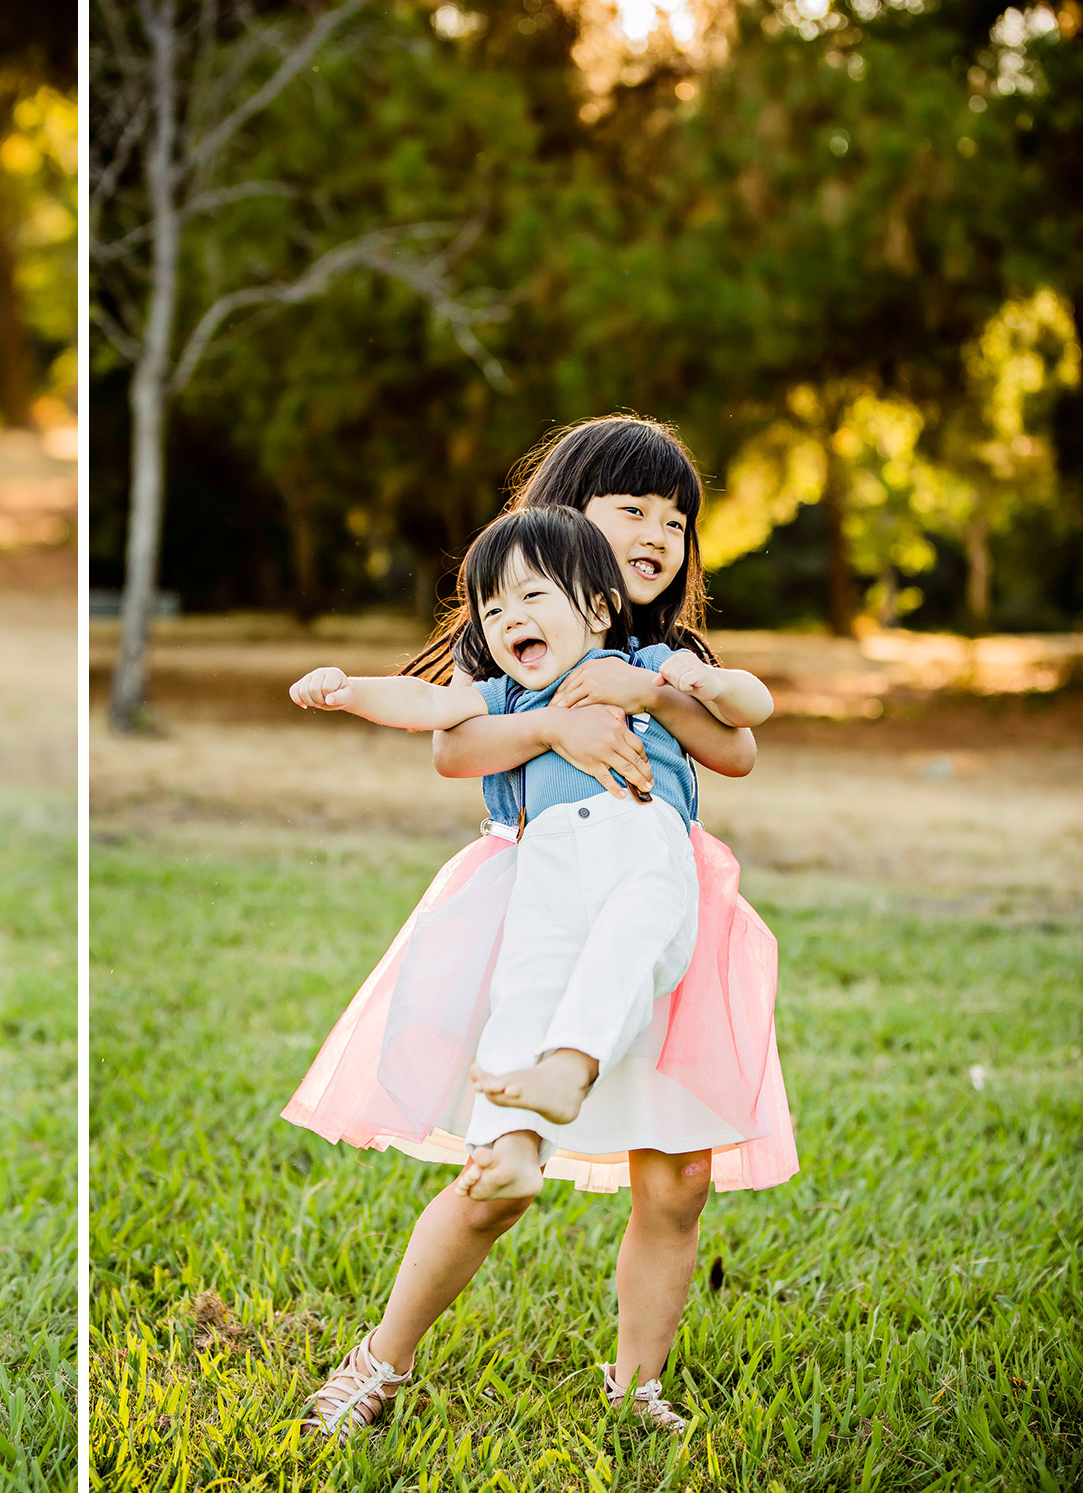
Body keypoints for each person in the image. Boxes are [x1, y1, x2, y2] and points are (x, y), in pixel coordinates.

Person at [282, 421, 798, 1441]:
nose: (659, 529)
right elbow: (451, 746)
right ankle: (378, 1359)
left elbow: (734, 751)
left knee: (675, 1173)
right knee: (492, 1173)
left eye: (675, 517)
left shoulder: (668, 655)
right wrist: (554, 722)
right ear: (565, 519)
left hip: (657, 919)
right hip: (543, 905)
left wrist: (650, 688)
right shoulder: (510, 649)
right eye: (632, 507)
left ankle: (634, 1379)